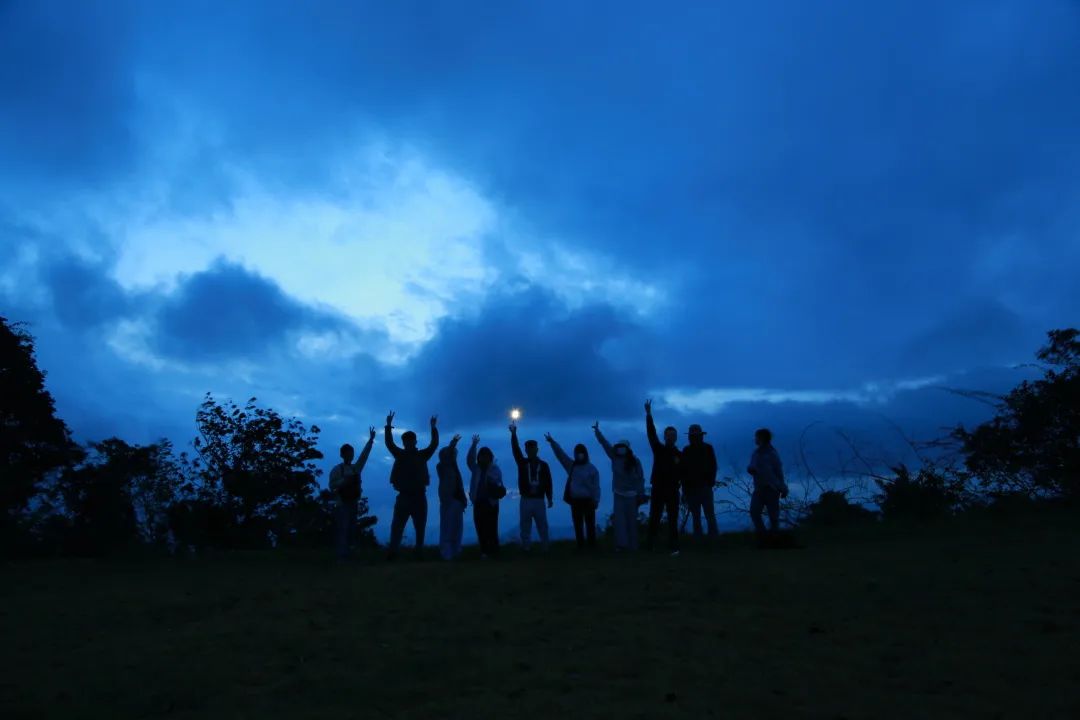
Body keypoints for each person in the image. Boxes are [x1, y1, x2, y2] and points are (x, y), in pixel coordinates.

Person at [384, 410, 439, 560]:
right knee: (397, 526)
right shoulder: (400, 454)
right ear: (404, 443)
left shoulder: (422, 455)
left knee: (419, 527)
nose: (408, 443)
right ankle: (393, 553)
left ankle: (418, 553)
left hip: (419, 496)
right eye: (406, 441)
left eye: (410, 440)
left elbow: (434, 444)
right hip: (404, 496)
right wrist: (388, 425)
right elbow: (389, 443)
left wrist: (433, 427)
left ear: (415, 441)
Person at [593, 422, 646, 552]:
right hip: (619, 494)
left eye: (623, 447)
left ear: (627, 448)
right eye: (620, 446)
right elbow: (605, 444)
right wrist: (597, 432)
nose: (621, 449)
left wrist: (640, 493)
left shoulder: (635, 461)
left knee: (631, 521)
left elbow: (640, 478)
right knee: (620, 522)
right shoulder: (614, 457)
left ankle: (633, 546)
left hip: (632, 495)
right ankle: (622, 545)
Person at [546, 433, 601, 550]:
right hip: (576, 501)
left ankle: (592, 546)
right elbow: (561, 455)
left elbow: (596, 487)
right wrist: (553, 443)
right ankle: (581, 546)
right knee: (578, 525)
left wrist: (596, 500)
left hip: (588, 500)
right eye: (577, 453)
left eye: (580, 453)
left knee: (590, 524)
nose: (579, 455)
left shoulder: (591, 469)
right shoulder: (572, 466)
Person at [327, 427, 376, 559]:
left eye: (352, 453)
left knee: (351, 530)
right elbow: (331, 485)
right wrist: (344, 482)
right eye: (348, 453)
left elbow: (364, 456)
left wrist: (370, 441)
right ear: (342, 455)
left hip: (353, 502)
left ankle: (349, 554)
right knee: (343, 529)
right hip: (342, 504)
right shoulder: (337, 469)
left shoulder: (356, 468)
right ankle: (342, 556)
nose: (351, 455)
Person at [644, 400, 682, 555]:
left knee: (673, 518)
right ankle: (650, 545)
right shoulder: (659, 449)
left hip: (673, 489)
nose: (671, 437)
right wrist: (648, 415)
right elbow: (651, 434)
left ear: (676, 437)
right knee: (655, 517)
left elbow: (683, 472)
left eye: (674, 435)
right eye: (669, 435)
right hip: (658, 488)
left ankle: (673, 545)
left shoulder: (679, 455)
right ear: (665, 437)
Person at [510, 422, 553, 551]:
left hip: (539, 499)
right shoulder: (522, 463)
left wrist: (549, 497)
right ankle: (526, 546)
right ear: (526, 450)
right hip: (526, 498)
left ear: (537, 450)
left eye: (532, 449)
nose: (530, 451)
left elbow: (548, 482)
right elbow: (515, 450)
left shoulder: (543, 465)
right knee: (525, 524)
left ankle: (545, 546)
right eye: (528, 449)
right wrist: (513, 434)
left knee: (542, 524)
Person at [747, 428, 788, 545]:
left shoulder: (772, 453)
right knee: (754, 512)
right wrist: (751, 469)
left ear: (762, 438)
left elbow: (778, 471)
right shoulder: (756, 453)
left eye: (757, 437)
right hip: (759, 488)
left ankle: (774, 540)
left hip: (771, 488)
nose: (755, 439)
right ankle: (764, 538)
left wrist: (782, 487)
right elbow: (752, 466)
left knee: (773, 517)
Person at [468, 435, 506, 558]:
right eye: (482, 456)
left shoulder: (495, 469)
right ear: (479, 457)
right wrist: (474, 445)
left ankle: (494, 551)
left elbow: (499, 484)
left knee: (492, 527)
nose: (484, 458)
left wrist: (492, 484)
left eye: (486, 456)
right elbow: (469, 460)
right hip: (478, 502)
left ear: (490, 457)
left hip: (491, 503)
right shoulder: (476, 468)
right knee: (480, 528)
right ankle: (485, 551)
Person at [682, 423, 719, 539]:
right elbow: (683, 470)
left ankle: (712, 537)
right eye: (692, 436)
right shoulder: (687, 450)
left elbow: (713, 466)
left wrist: (710, 482)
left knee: (708, 514)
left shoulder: (707, 448)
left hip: (704, 486)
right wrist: (685, 487)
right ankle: (700, 538)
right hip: (692, 488)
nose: (694, 438)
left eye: (696, 435)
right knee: (696, 515)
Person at [436, 434, 467, 560]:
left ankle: (455, 551)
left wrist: (463, 499)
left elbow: (459, 485)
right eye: (452, 454)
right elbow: (448, 453)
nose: (454, 456)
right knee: (448, 527)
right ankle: (447, 553)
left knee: (457, 527)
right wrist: (453, 443)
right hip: (449, 500)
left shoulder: (454, 468)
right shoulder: (442, 467)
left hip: (456, 500)